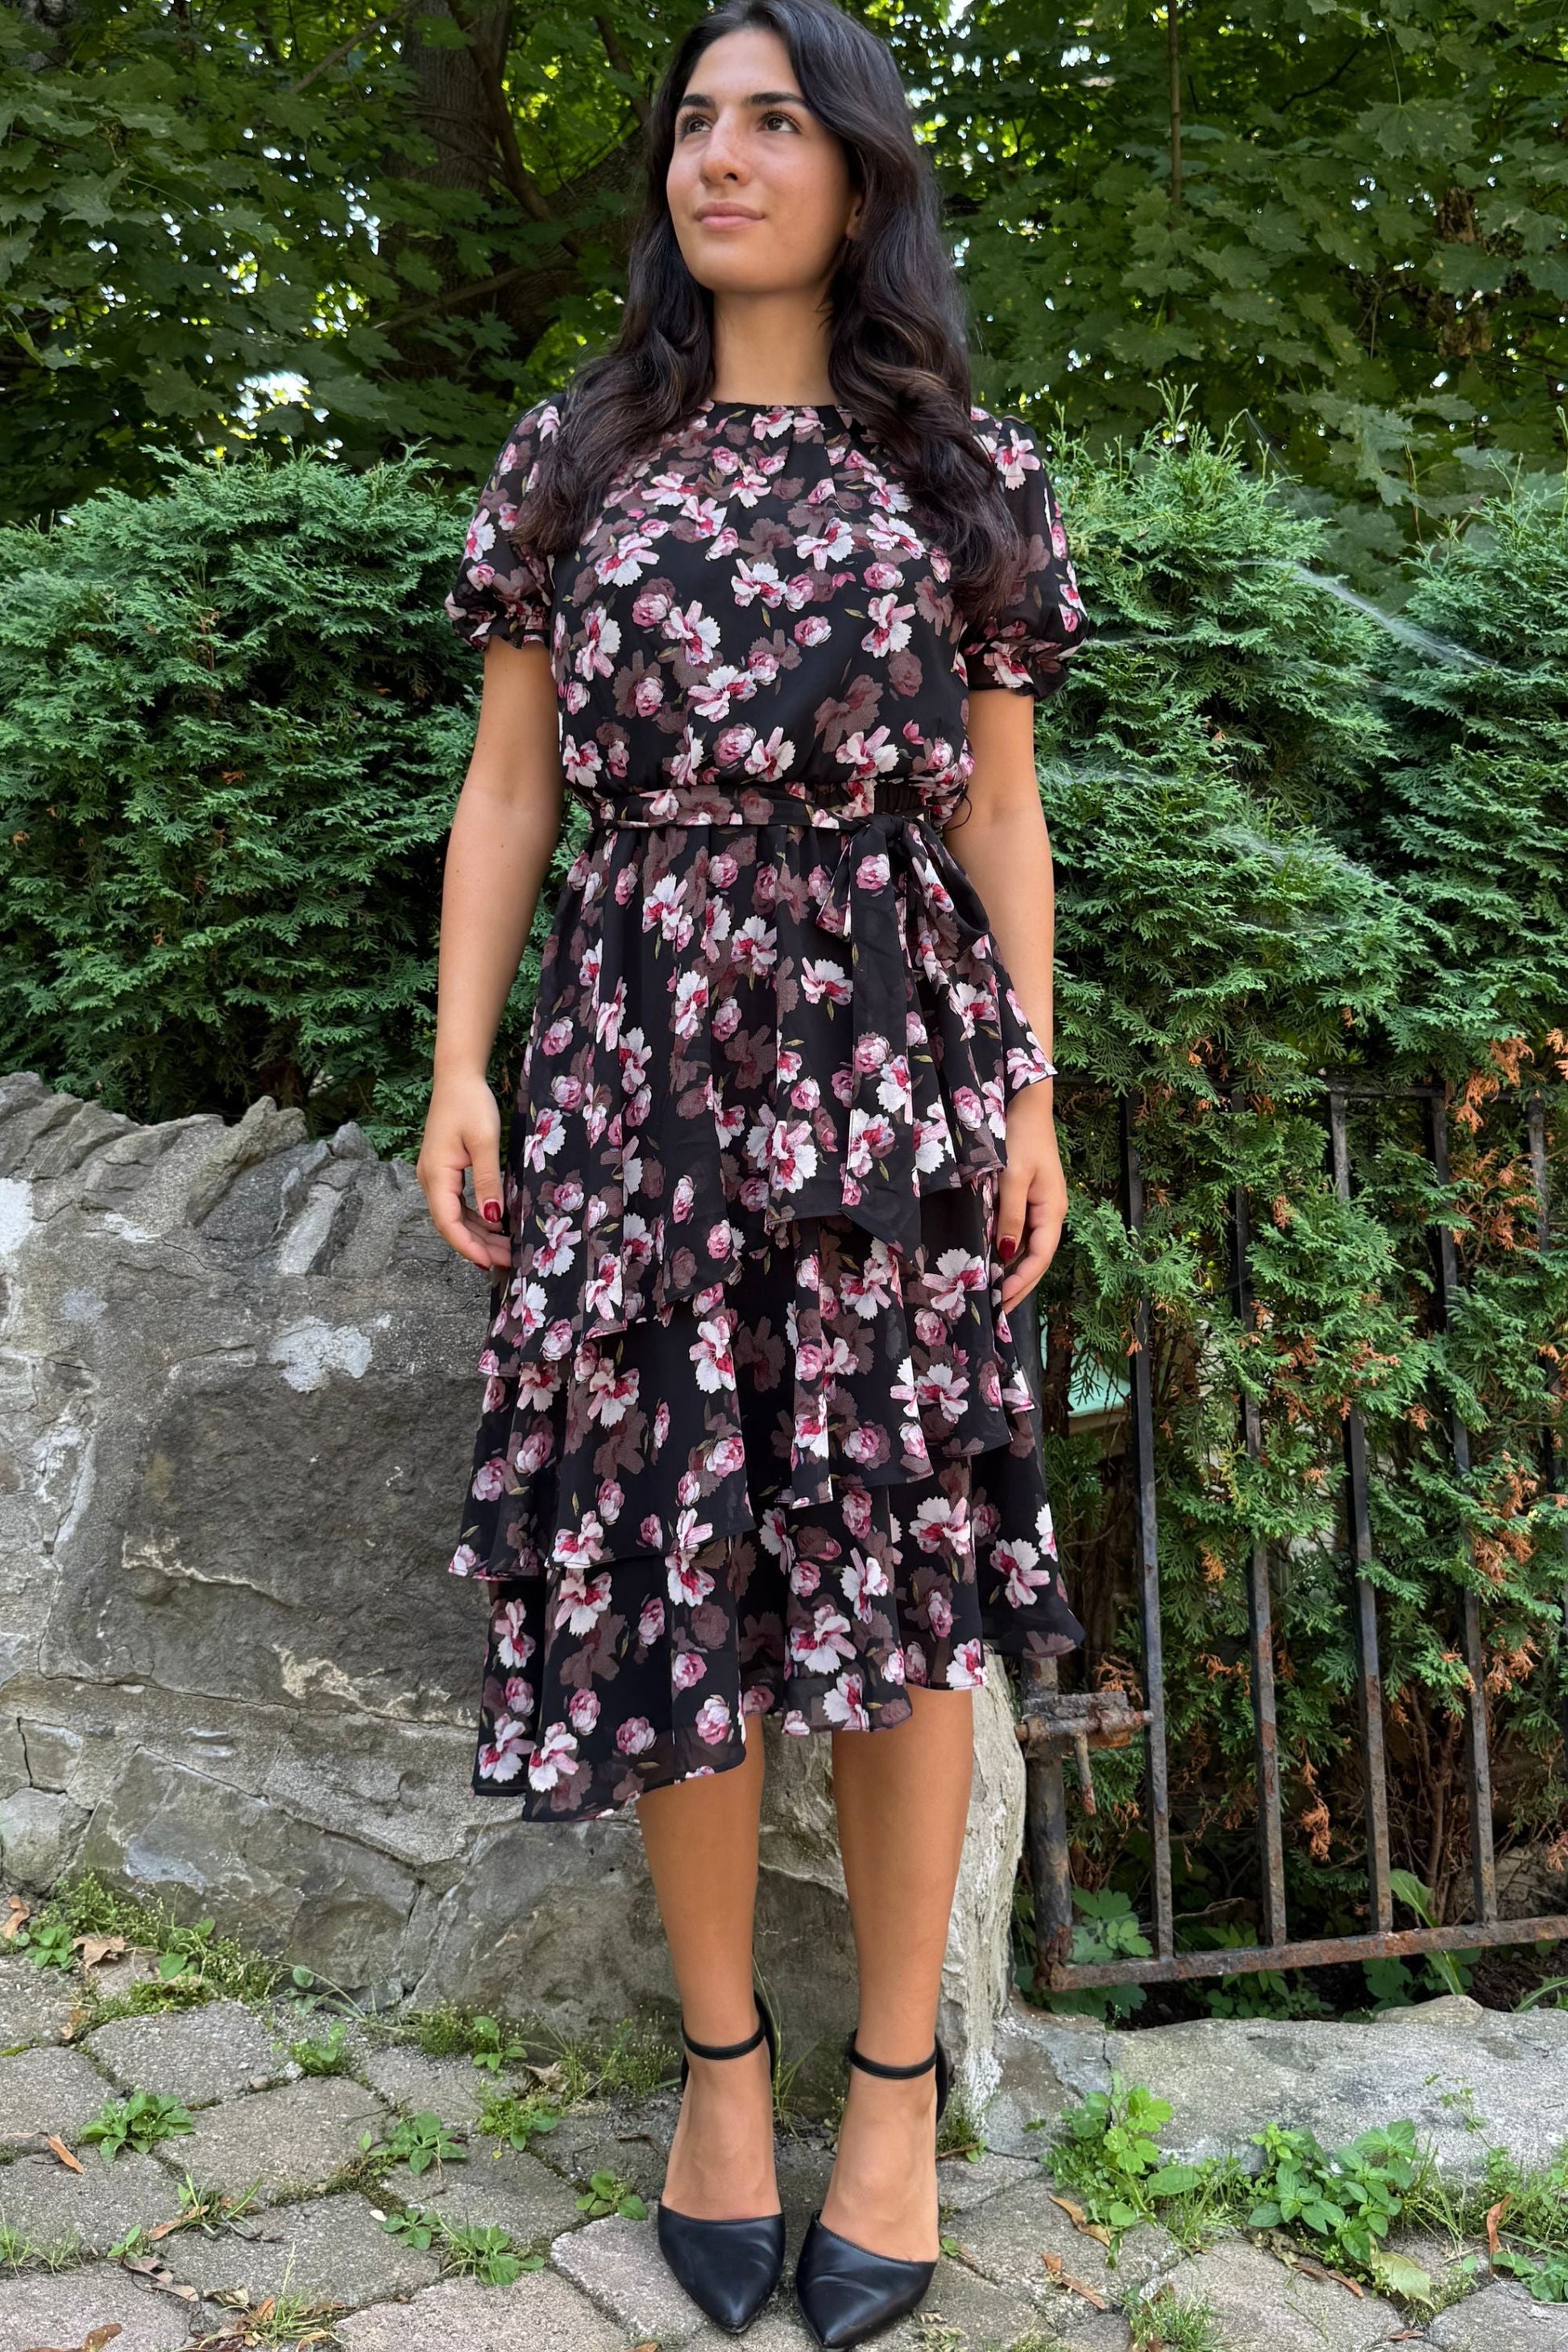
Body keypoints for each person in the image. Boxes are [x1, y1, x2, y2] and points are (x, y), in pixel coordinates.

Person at [417, 0, 1089, 2337]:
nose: (720, 157)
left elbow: (1000, 814)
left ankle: (891, 2096)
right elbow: (511, 784)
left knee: (897, 1569)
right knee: (661, 1547)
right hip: (633, 1054)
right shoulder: (582, 450)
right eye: (694, 124)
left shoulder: (964, 476)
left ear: (859, 171)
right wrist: (464, 1065)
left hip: (889, 1058)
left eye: (772, 121)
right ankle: (723, 2077)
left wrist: (1027, 1095)